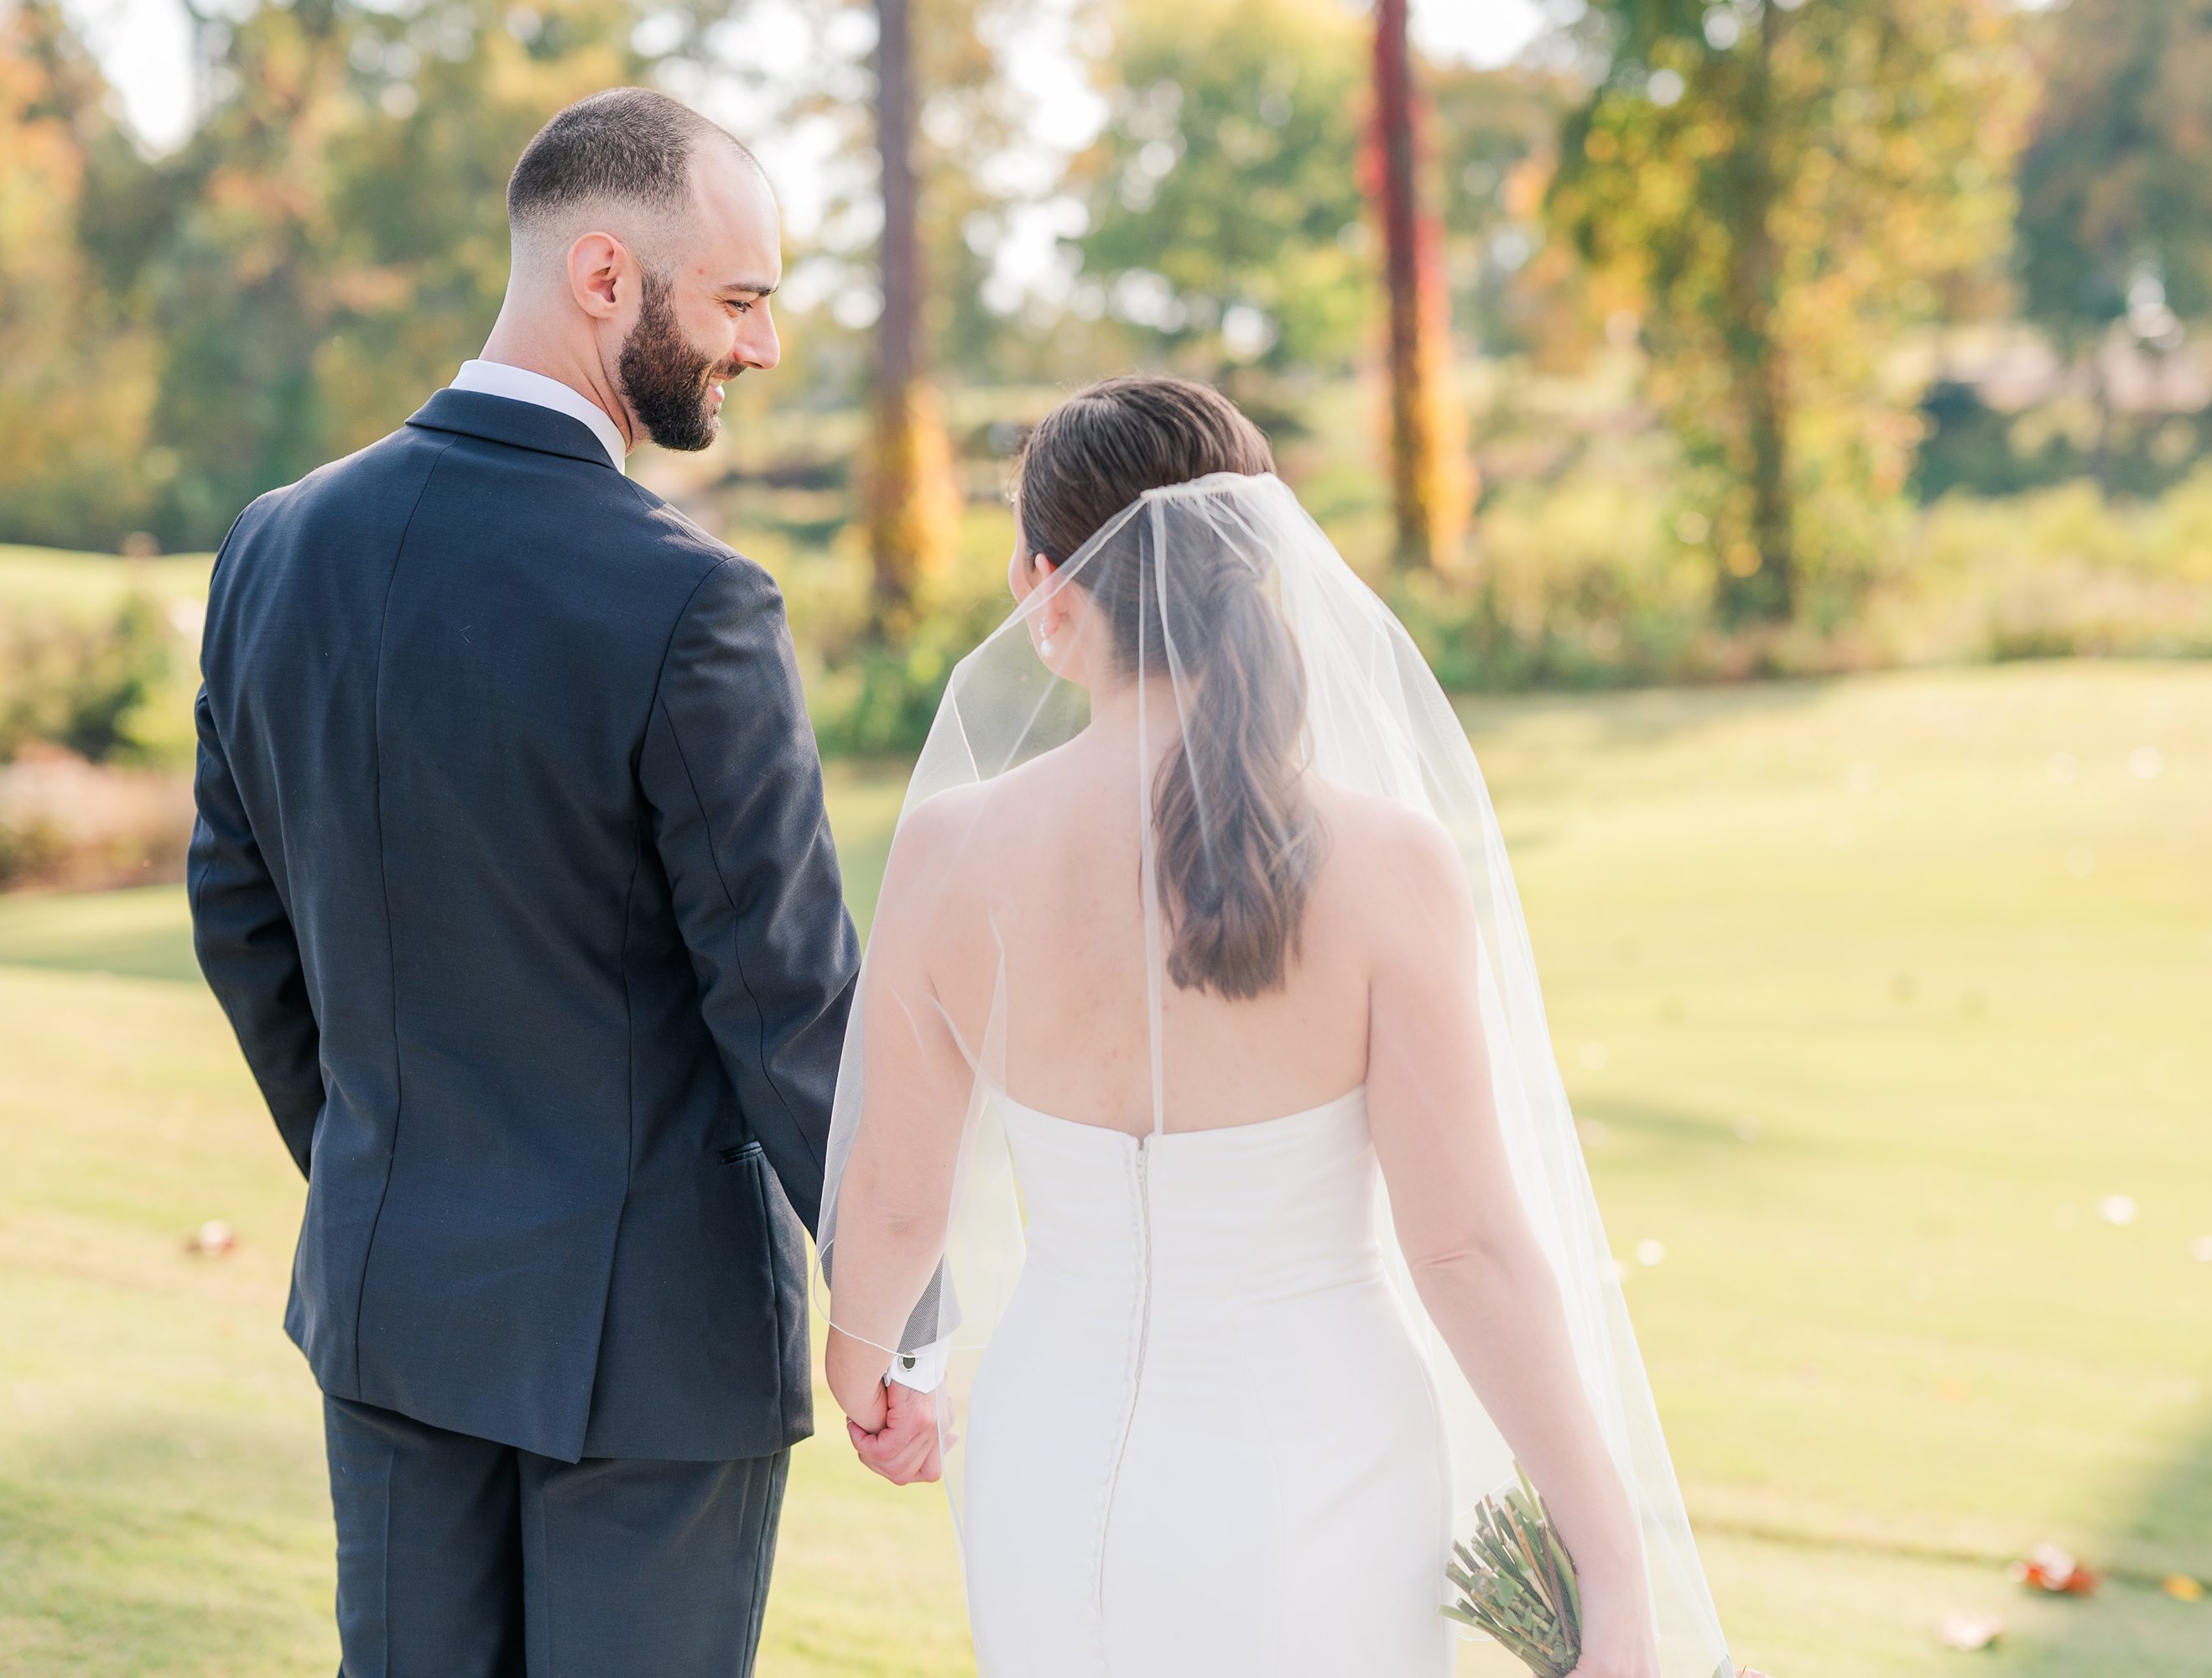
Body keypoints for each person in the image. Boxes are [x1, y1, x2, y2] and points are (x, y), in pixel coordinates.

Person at [817, 375, 1735, 1677]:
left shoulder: (951, 852)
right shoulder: (1382, 863)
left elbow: (897, 1202)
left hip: (1049, 1463)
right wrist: (1615, 1565)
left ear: (1044, 589)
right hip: (1316, 1471)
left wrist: (872, 1378)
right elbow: (1466, 1250)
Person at [187, 87, 928, 1675]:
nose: (762, 347)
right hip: (651, 1356)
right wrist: (907, 1311)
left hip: (394, 1301)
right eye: (741, 298)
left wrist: (386, 1168)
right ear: (606, 275)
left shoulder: (270, 546)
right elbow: (788, 1001)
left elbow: (239, 919)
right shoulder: (692, 603)